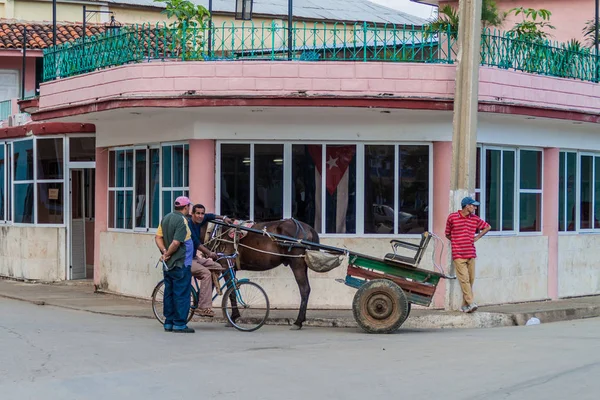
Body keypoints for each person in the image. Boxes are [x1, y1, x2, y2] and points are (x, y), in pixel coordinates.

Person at [155, 196, 196, 333]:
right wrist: (168, 254)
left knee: (169, 292)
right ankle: (179, 324)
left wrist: (164, 251)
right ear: (186, 207)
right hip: (180, 263)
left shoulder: (166, 218)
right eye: (189, 207)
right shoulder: (182, 220)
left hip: (168, 265)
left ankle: (169, 322)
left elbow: (158, 237)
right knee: (181, 293)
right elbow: (177, 242)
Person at [445, 196, 491, 313]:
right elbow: (447, 234)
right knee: (464, 280)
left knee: (470, 280)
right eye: (473, 205)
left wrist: (477, 237)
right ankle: (471, 303)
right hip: (458, 254)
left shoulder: (474, 219)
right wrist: (457, 241)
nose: (475, 208)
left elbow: (487, 227)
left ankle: (465, 306)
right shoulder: (452, 217)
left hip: (471, 253)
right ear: (466, 206)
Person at [187, 204, 233, 317]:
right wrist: (209, 253)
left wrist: (223, 218)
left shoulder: (200, 221)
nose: (200, 216)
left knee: (217, 266)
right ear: (192, 214)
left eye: (202, 213)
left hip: (195, 258)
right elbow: (196, 243)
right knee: (206, 274)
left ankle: (202, 295)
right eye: (197, 213)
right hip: (186, 260)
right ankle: (203, 307)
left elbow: (211, 216)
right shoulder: (188, 225)